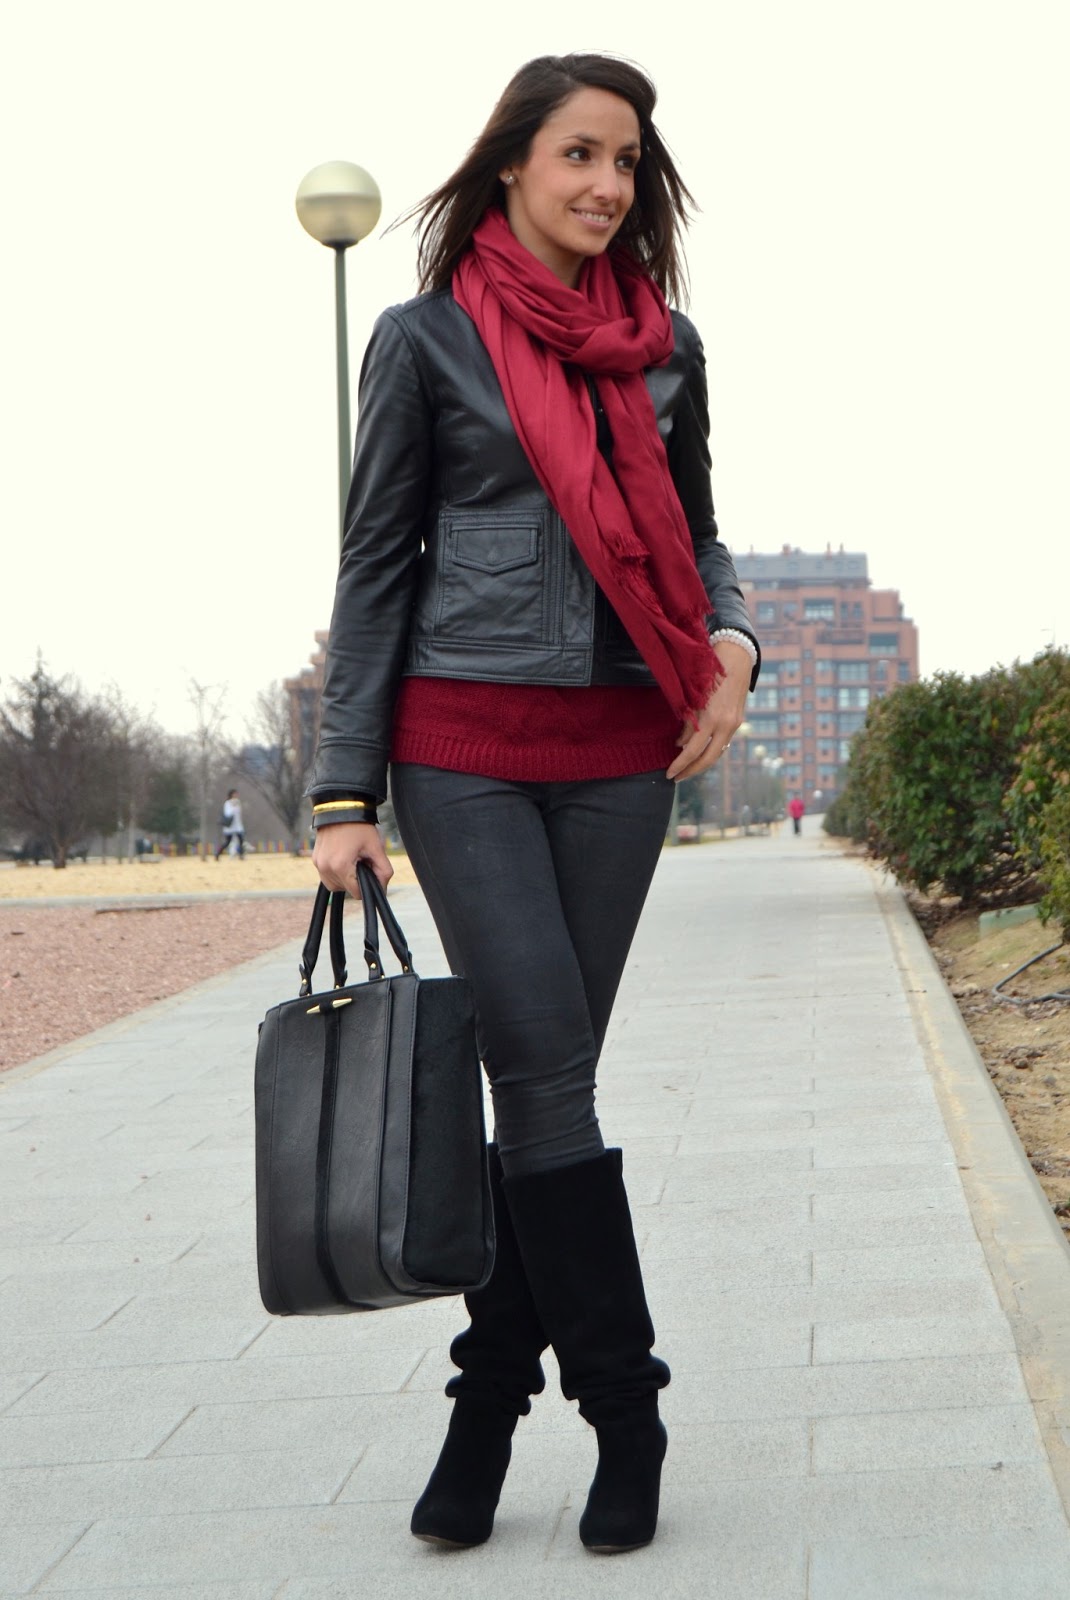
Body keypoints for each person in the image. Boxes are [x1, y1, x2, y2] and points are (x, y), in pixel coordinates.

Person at [309, 53, 760, 1554]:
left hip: (627, 757)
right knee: (549, 1077)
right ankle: (625, 1414)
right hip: (463, 752)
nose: (606, 184)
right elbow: (375, 564)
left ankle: (485, 1405)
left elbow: (698, 538)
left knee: (544, 1084)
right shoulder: (423, 340)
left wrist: (735, 646)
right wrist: (342, 789)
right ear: (510, 162)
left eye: (626, 161)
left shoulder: (666, 349)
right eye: (578, 153)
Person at [214, 789, 244, 858]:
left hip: (237, 825)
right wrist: (233, 807)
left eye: (236, 794)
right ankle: (218, 853)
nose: (236, 795)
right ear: (231, 795)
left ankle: (241, 855)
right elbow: (228, 813)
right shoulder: (227, 803)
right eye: (234, 794)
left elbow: (239, 813)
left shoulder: (238, 802)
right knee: (228, 842)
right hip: (230, 825)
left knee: (241, 840)